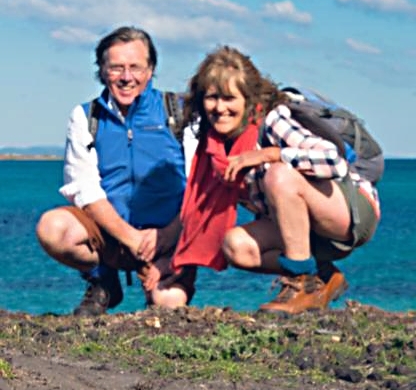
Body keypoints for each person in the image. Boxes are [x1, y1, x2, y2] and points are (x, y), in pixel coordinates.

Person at [170, 46, 380, 314]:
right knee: (235, 245)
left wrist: (269, 155)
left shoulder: (273, 120)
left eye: (229, 98)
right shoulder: (213, 147)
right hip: (302, 228)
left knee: (278, 175)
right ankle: (323, 278)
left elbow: (333, 161)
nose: (220, 108)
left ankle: (300, 283)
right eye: (212, 97)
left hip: (349, 210)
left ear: (248, 99)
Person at [35, 26, 195, 316]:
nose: (126, 77)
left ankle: (163, 276)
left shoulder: (181, 112)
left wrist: (167, 236)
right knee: (53, 228)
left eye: (135, 67)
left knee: (168, 306)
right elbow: (84, 188)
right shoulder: (86, 117)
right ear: (102, 70)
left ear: (150, 70)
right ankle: (103, 280)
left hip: (171, 236)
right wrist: (131, 238)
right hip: (114, 237)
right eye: (116, 67)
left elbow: (200, 185)